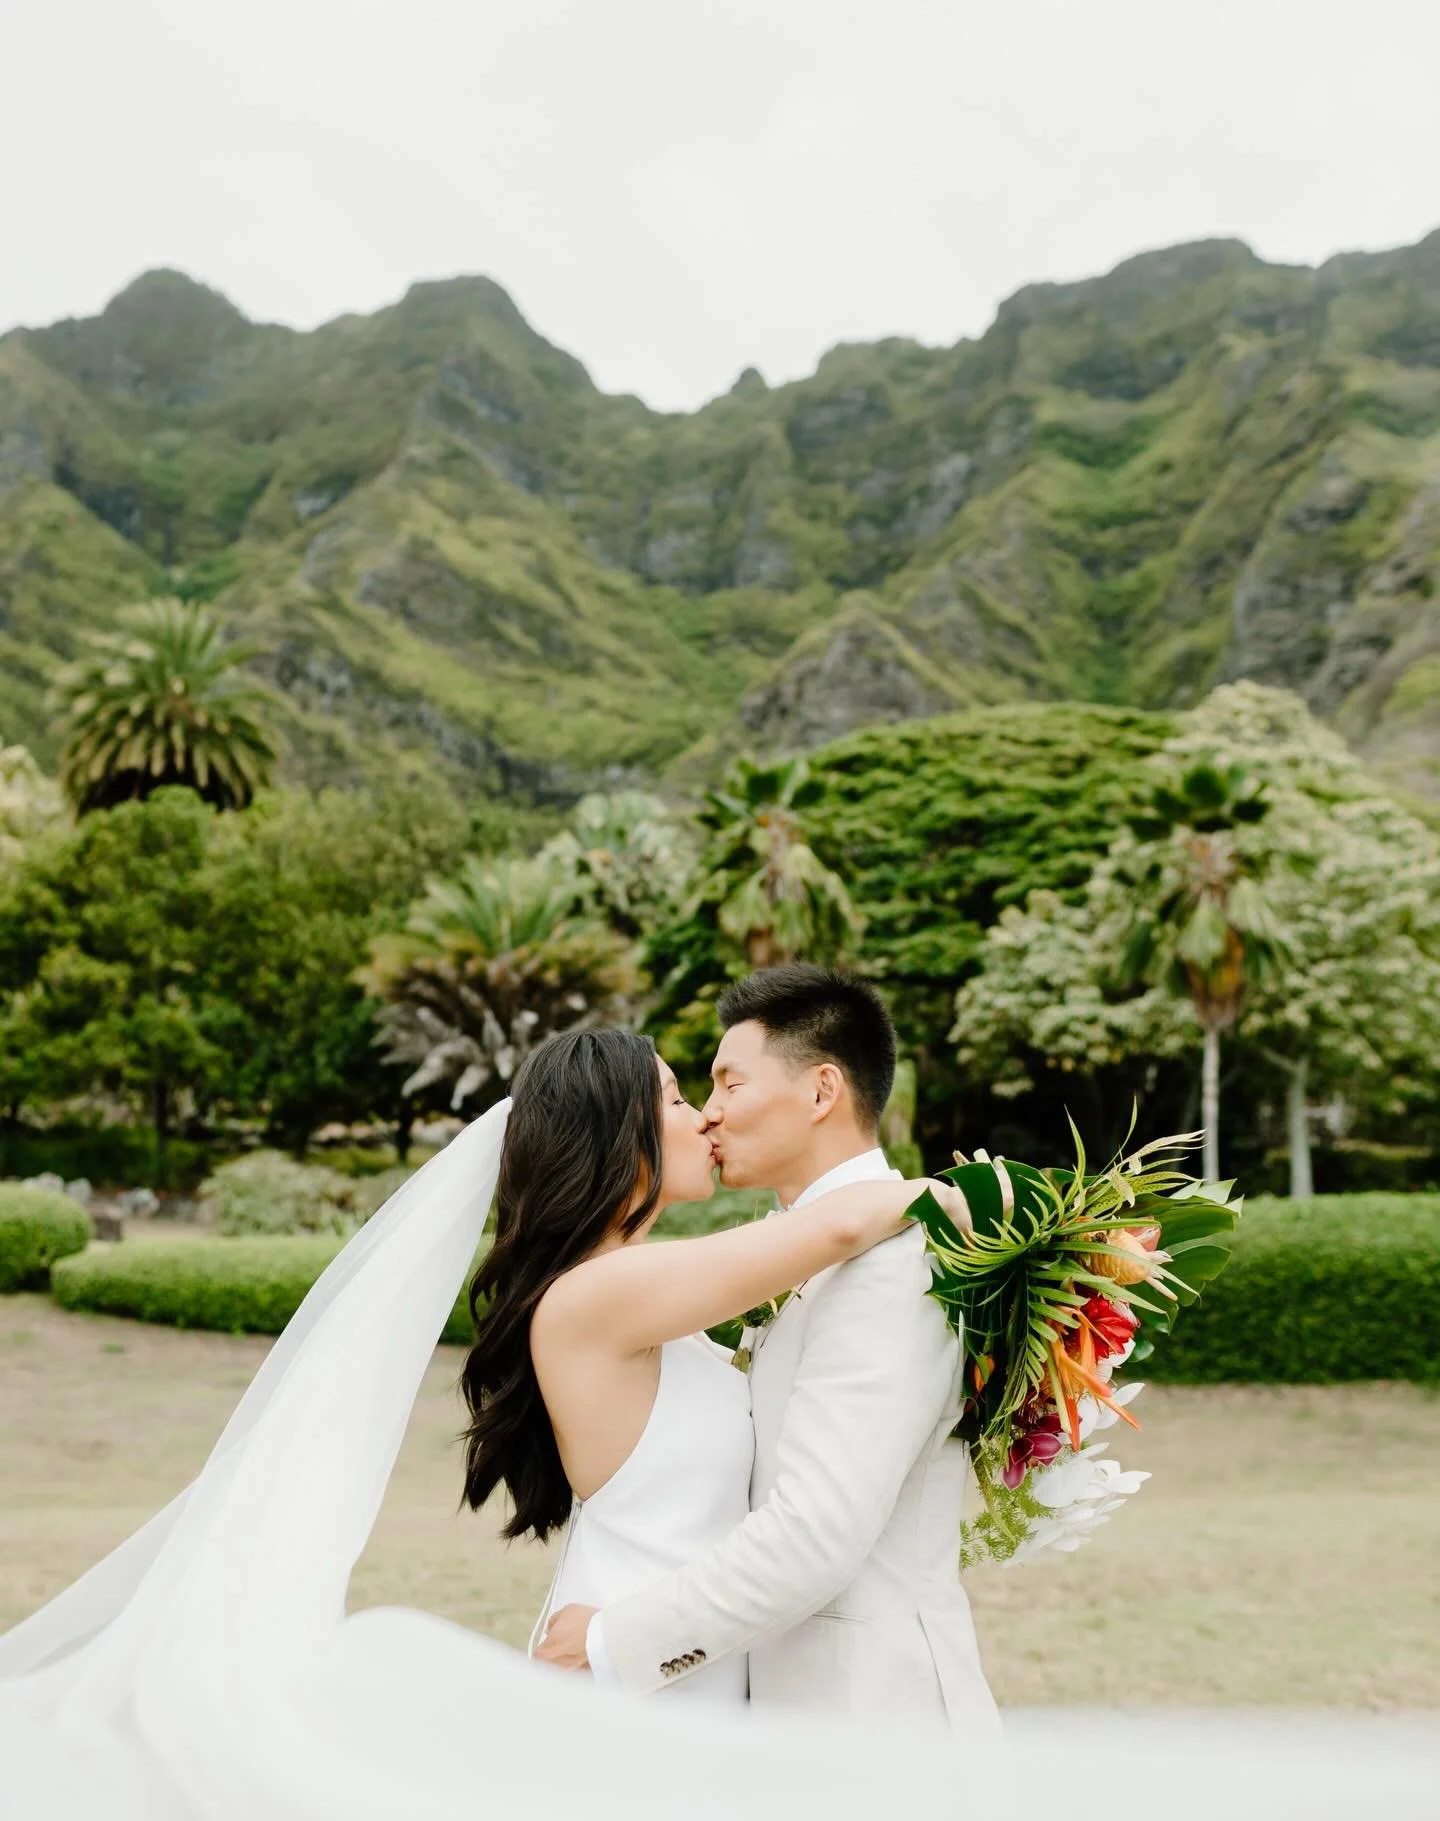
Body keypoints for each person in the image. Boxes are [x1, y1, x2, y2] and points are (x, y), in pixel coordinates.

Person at [536, 965, 998, 1733]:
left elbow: (816, 1531)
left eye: (728, 1083)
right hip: (757, 1712)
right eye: (689, 1094)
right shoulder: (805, 1251)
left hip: (869, 1719)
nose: (709, 1113)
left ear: (821, 1091)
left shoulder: (894, 1258)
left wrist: (615, 1640)